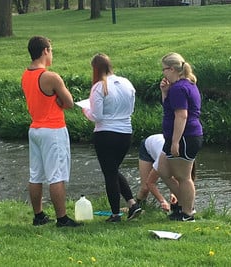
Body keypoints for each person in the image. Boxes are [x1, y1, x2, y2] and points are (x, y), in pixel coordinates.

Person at [22, 36, 81, 227]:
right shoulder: (50, 77)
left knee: (36, 174)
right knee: (57, 175)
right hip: (53, 129)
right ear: (45, 51)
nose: (52, 54)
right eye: (51, 50)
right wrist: (60, 101)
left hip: (35, 128)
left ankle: (38, 215)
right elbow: (70, 102)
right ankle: (62, 218)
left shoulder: (26, 75)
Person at [82, 53, 141, 223]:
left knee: (109, 173)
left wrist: (86, 111)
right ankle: (132, 204)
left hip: (106, 133)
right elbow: (131, 108)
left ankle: (115, 214)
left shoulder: (99, 87)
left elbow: (97, 116)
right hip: (125, 132)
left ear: (95, 68)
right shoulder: (126, 83)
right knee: (113, 169)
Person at [158, 52, 203, 222]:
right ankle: (186, 205)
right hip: (179, 136)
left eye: (164, 70)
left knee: (183, 177)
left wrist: (176, 142)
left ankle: (187, 213)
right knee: (163, 169)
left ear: (172, 69)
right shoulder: (183, 85)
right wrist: (164, 92)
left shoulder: (179, 88)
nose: (163, 73)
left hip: (185, 137)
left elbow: (182, 115)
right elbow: (169, 108)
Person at [137, 134, 196, 213]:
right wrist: (162, 201)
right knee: (145, 188)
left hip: (166, 146)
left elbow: (179, 179)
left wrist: (173, 194)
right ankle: (136, 207)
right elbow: (150, 183)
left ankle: (183, 210)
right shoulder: (163, 160)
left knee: (181, 179)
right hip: (148, 146)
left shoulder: (186, 158)